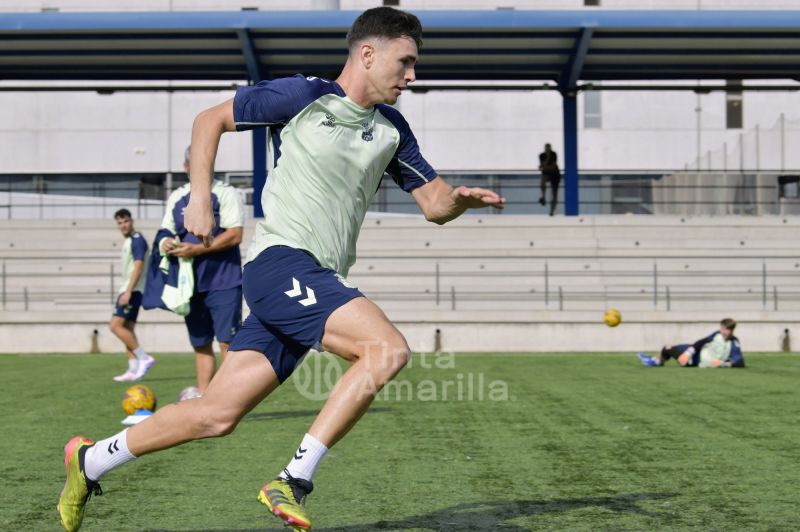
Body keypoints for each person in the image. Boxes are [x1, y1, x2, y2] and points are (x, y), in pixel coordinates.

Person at [57, 7, 505, 532]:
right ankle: (294, 481)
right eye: (405, 62)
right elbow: (210, 120)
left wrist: (460, 202)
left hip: (309, 279)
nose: (412, 76)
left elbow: (433, 204)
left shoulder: (392, 129)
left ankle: (90, 461)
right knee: (386, 349)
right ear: (368, 53)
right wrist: (200, 198)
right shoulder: (304, 96)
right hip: (281, 262)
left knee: (216, 415)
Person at [159, 146, 245, 392]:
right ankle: (205, 400)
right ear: (186, 167)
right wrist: (165, 241)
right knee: (201, 343)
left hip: (224, 281)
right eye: (193, 164)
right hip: (189, 286)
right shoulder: (177, 197)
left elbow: (234, 235)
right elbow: (165, 231)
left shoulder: (225, 193)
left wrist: (196, 250)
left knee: (228, 343)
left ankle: (232, 400)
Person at [108, 209, 154, 382]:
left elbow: (138, 266)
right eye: (119, 223)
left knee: (115, 326)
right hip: (132, 290)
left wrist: (128, 291)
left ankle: (144, 358)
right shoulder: (129, 241)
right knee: (127, 329)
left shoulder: (137, 240)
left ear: (132, 221)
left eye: (125, 221)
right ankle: (133, 369)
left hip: (132, 290)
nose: (123, 225)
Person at [637, 318, 745, 368]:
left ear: (732, 330)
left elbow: (740, 362)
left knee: (667, 348)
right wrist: (689, 352)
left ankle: (657, 362)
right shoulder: (717, 334)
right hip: (697, 352)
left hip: (696, 361)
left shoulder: (734, 343)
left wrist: (723, 364)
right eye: (723, 328)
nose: (724, 332)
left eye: (727, 329)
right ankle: (656, 359)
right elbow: (702, 341)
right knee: (673, 347)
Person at [538, 143, 560, 216]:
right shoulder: (542, 155)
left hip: (555, 175)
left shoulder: (554, 154)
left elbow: (553, 166)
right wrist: (547, 158)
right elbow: (541, 166)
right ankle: (543, 197)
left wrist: (544, 167)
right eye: (546, 148)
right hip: (547, 174)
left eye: (549, 148)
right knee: (542, 181)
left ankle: (552, 211)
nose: (547, 150)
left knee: (554, 194)